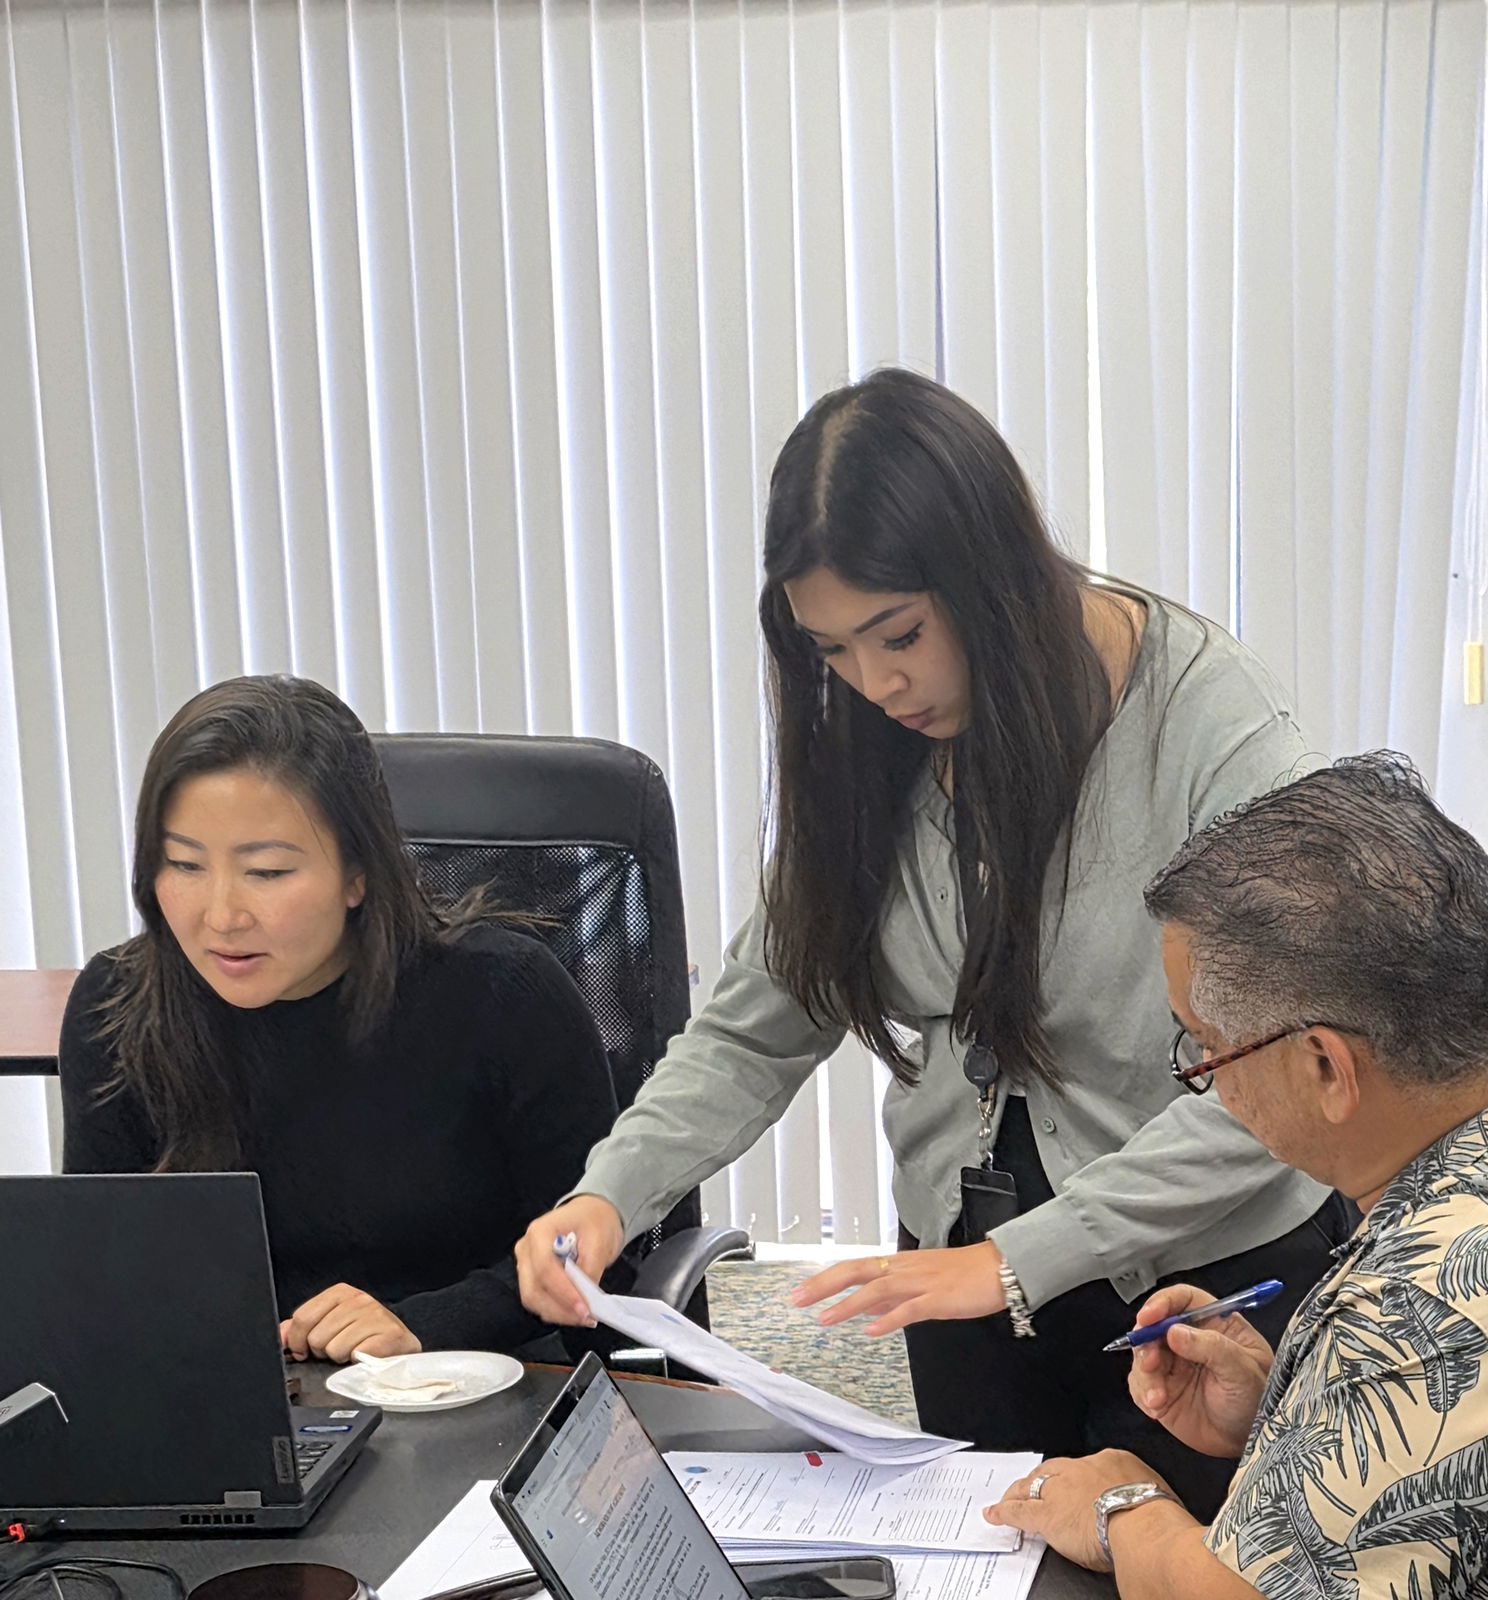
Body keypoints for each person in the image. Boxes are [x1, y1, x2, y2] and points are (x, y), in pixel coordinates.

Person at [516, 366, 1351, 1516]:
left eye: (897, 633)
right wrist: (610, 1194)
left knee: (1176, 1564)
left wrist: (1014, 1263)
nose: (874, 682)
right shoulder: (872, 743)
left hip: (1199, 1285)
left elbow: (1287, 1082)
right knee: (984, 1557)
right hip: (964, 1263)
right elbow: (765, 1015)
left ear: (993, 577)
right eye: (832, 652)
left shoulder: (1215, 730)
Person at [984, 752, 1488, 1597]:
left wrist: (1123, 1507)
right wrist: (1294, 1410)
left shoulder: (1419, 1312)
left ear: (1324, 1066)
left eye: (1204, 1047)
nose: (1206, 1077)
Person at [60, 674, 619, 1362]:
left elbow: (591, 1263)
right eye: (183, 865)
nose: (222, 916)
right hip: (244, 1408)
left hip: (478, 1393)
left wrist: (427, 1326)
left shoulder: (502, 995)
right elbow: (97, 1287)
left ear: (358, 873)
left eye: (266, 873)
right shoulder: (117, 1010)